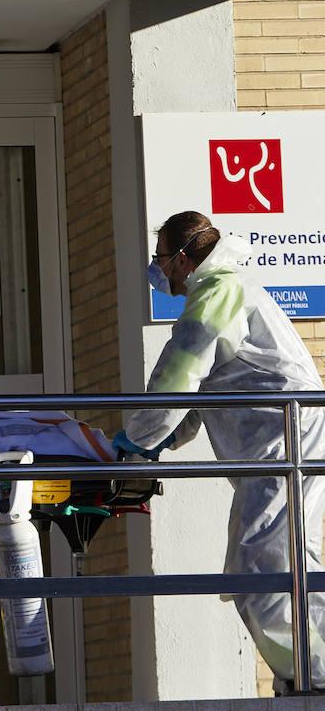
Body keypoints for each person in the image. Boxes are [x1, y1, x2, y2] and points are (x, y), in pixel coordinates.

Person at [113, 211, 325, 692]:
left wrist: (139, 438)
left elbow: (179, 373)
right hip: (280, 442)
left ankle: (312, 676)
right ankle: (308, 673)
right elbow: (205, 388)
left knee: (260, 567)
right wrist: (165, 437)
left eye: (160, 258)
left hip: (280, 442)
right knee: (287, 564)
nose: (157, 269)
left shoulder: (217, 290)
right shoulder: (226, 288)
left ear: (184, 257)